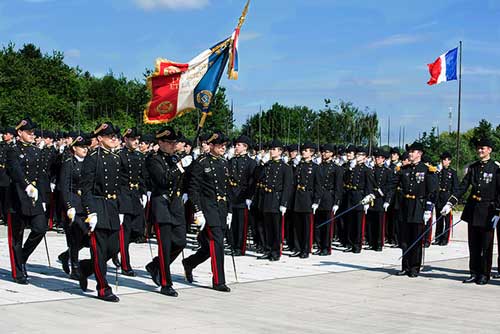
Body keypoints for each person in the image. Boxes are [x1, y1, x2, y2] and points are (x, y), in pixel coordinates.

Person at [441, 138, 500, 285]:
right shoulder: (473, 167)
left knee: (486, 245)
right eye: (479, 148)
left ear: (490, 150)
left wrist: (498, 211)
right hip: (473, 210)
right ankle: (474, 272)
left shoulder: (496, 168)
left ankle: (484, 274)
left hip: (488, 211)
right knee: (473, 245)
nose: (480, 151)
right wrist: (450, 202)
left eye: (483, 148)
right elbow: (463, 186)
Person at [182, 131, 233, 292]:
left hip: (222, 209)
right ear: (211, 145)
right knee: (217, 243)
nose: (223, 148)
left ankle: (189, 263)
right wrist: (198, 211)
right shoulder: (201, 163)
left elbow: (227, 189)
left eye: (224, 146)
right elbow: (194, 190)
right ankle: (218, 280)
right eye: (220, 145)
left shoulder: (224, 163)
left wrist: (230, 211)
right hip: (208, 209)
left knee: (208, 247)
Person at [78, 122, 122, 302]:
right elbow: (85, 188)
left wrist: (122, 208)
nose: (114, 139)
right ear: (99, 138)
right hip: (97, 206)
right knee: (99, 251)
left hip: (112, 207)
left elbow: (120, 185)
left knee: (113, 248)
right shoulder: (92, 158)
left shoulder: (115, 157)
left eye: (115, 136)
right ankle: (103, 288)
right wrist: (91, 212)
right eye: (109, 136)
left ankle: (85, 269)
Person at [145, 126, 191, 297]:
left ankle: (155, 265)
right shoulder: (153, 159)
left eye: (175, 142)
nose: (174, 145)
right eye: (170, 142)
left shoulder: (176, 158)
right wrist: (179, 167)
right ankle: (165, 282)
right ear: (161, 142)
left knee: (180, 242)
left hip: (176, 205)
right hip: (162, 204)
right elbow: (163, 180)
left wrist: (187, 163)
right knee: (164, 246)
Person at [5, 117, 48, 284]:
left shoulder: (36, 151)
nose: (32, 134)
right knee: (16, 236)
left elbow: (41, 176)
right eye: (28, 132)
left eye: (33, 132)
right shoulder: (12, 150)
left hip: (35, 197)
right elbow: (15, 170)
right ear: (19, 133)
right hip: (17, 197)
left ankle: (22, 256)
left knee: (40, 228)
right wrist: (26, 186)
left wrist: (43, 198)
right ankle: (17, 272)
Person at [388, 142, 438, 278]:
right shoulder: (404, 169)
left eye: (413, 151)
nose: (410, 153)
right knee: (404, 238)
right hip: (405, 206)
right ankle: (405, 266)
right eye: (409, 151)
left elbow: (432, 191)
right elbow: (392, 185)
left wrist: (428, 209)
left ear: (420, 154)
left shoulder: (427, 170)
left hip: (418, 206)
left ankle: (414, 267)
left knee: (416, 238)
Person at [57, 134, 91, 279]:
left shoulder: (90, 163)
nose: (85, 149)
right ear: (74, 148)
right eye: (82, 147)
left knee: (87, 237)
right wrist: (68, 205)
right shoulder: (69, 163)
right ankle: (75, 267)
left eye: (86, 147)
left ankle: (66, 255)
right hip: (73, 202)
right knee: (75, 234)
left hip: (86, 203)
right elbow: (63, 187)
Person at [117, 127, 147, 277]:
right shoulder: (119, 155)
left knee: (138, 231)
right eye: (133, 139)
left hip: (135, 195)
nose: (136, 142)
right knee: (125, 231)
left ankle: (115, 251)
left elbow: (142, 176)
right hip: (124, 195)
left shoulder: (140, 156)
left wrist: (144, 192)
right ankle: (125, 264)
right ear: (126, 139)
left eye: (137, 139)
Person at [257, 139, 293, 261]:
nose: (271, 151)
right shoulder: (267, 165)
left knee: (276, 227)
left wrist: (284, 203)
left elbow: (287, 187)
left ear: (280, 151)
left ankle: (275, 251)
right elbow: (258, 177)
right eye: (270, 149)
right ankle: (267, 249)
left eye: (273, 149)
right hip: (267, 198)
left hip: (277, 199)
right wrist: (261, 162)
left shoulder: (285, 168)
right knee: (267, 227)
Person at [291, 141, 322, 258]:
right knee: (297, 226)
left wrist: (316, 201)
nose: (303, 152)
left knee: (306, 226)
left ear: (311, 153)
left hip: (307, 198)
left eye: (305, 150)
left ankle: (306, 249)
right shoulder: (299, 166)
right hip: (298, 197)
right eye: (303, 150)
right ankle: (298, 248)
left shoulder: (315, 168)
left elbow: (318, 186)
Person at [228, 135, 256, 256]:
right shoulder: (231, 161)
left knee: (241, 224)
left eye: (239, 145)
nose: (236, 147)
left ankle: (240, 247)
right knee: (232, 223)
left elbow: (252, 181)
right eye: (236, 145)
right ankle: (233, 245)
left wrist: (249, 197)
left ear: (245, 147)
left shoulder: (251, 162)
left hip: (243, 195)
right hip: (232, 194)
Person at [314, 144, 343, 255]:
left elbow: (338, 187)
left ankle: (326, 247)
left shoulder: (336, 168)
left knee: (327, 225)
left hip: (329, 198)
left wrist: (336, 202)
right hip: (319, 197)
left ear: (331, 154)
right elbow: (316, 184)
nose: (324, 154)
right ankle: (319, 245)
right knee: (318, 224)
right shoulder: (319, 167)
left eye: (326, 152)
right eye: (323, 152)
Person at [366, 149, 392, 251]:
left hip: (380, 199)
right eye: (376, 157)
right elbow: (368, 185)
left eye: (380, 158)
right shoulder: (371, 170)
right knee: (371, 222)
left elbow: (389, 187)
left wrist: (387, 200)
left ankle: (379, 243)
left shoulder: (387, 171)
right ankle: (371, 242)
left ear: (383, 159)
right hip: (371, 198)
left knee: (379, 223)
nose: (377, 159)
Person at [433, 151, 458, 246]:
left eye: (446, 160)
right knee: (439, 218)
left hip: (447, 196)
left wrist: (452, 200)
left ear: (449, 161)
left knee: (447, 219)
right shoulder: (438, 171)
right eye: (443, 159)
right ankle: (438, 237)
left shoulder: (452, 172)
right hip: (439, 196)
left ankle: (445, 239)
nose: (444, 161)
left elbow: (455, 187)